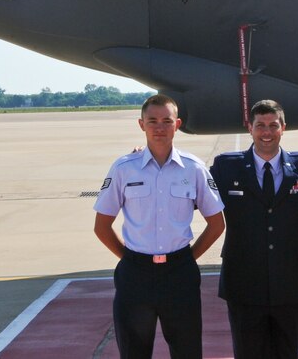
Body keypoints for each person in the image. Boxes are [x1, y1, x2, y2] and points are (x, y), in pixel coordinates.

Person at [93, 94, 225, 359]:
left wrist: (187, 258)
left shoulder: (194, 168)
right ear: (141, 124)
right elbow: (102, 226)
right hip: (135, 276)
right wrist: (130, 258)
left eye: (166, 121)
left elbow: (216, 223)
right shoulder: (124, 168)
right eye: (152, 121)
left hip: (180, 275)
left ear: (177, 124)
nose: (159, 127)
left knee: (187, 350)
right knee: (134, 352)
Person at [210, 100, 298, 359]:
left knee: (289, 352)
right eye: (260, 125)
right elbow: (188, 188)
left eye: (273, 125)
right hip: (244, 281)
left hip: (292, 280)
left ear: (284, 128)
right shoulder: (226, 167)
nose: (266, 132)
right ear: (250, 128)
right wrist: (144, 154)